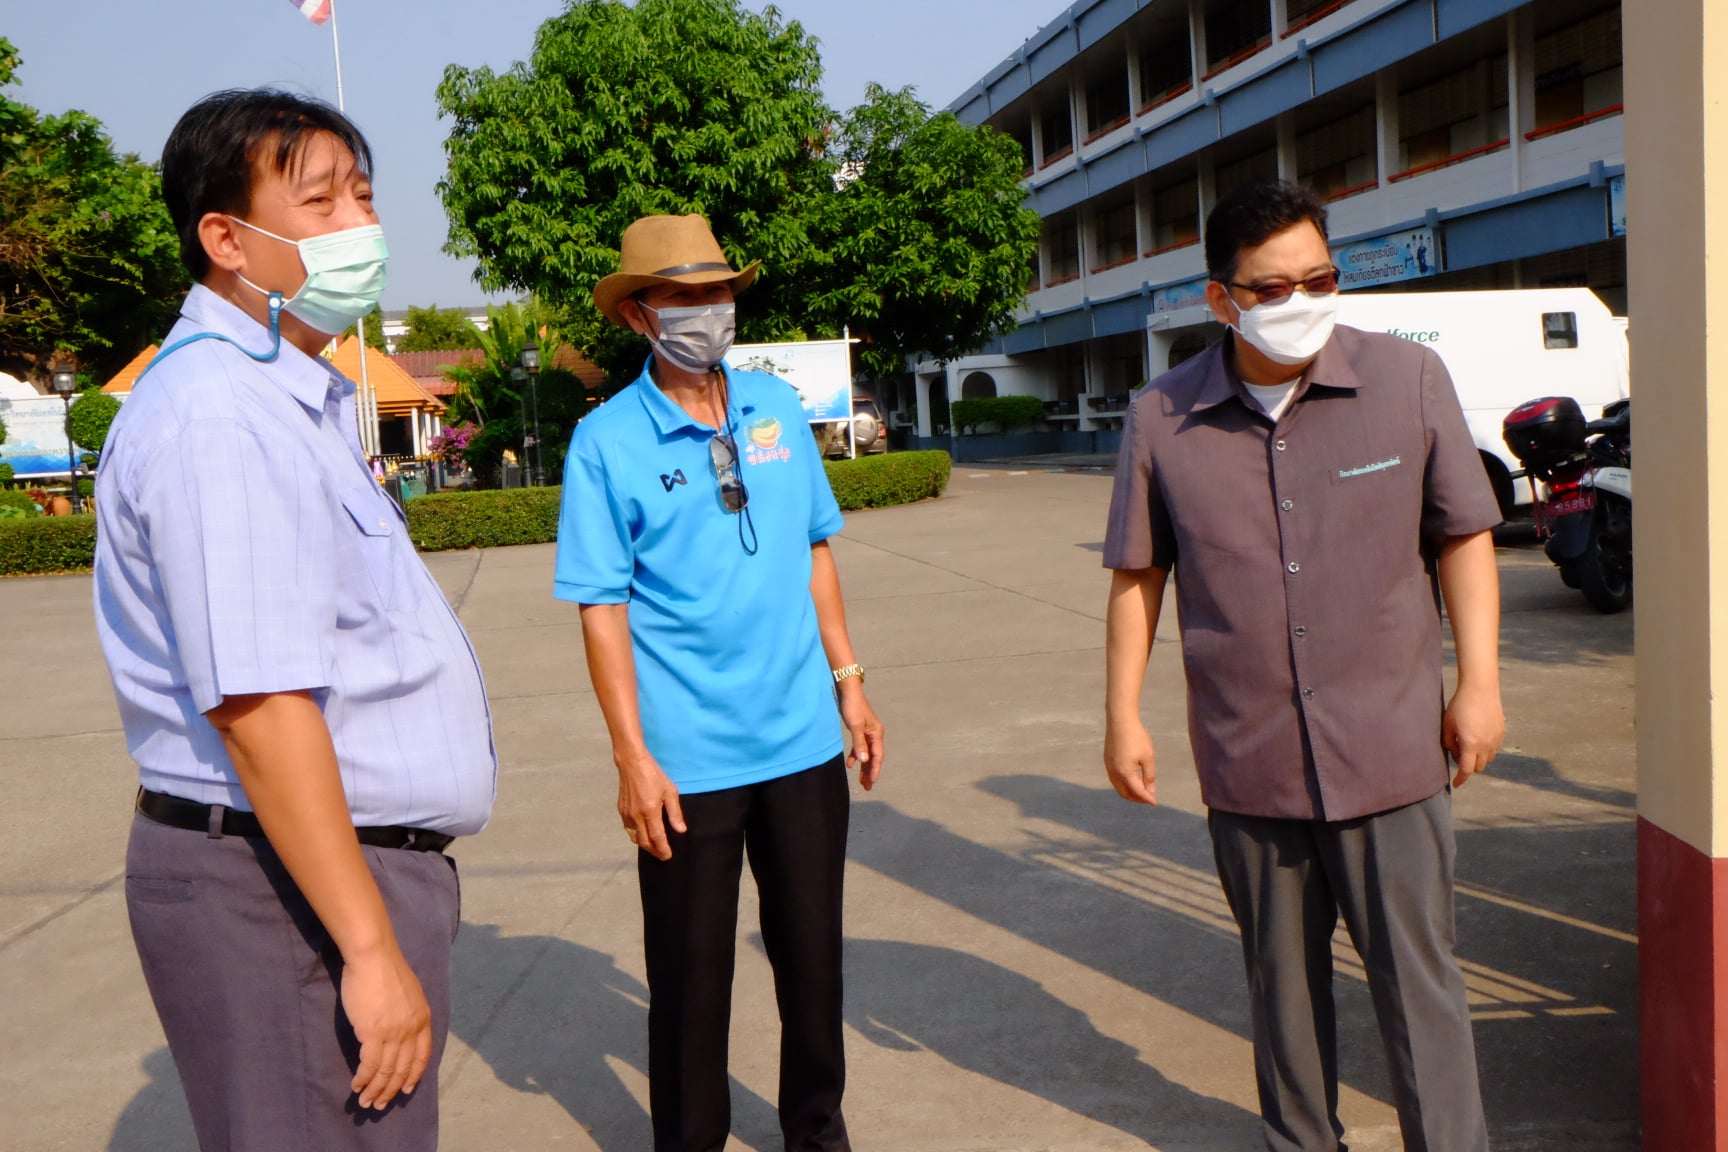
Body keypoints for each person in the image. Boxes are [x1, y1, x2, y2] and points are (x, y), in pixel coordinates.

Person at [92, 89, 495, 1150]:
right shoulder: (219, 415)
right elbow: (262, 705)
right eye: (320, 201)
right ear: (225, 237)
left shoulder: (283, 395)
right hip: (286, 894)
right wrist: (367, 949)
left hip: (325, 875)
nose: (358, 224)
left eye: (363, 194)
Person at [1101, 179, 1503, 1151]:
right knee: (1282, 1000)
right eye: (1271, 288)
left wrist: (1481, 683)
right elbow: (1137, 574)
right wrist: (1121, 714)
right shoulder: (1164, 417)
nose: (1300, 302)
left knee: (1424, 990)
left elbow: (1464, 538)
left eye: (1318, 278)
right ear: (1221, 298)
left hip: (1392, 751)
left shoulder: (1408, 382)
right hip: (1252, 763)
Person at [553, 213, 885, 1152]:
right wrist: (632, 757)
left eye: (719, 292)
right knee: (692, 981)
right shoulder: (606, 441)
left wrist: (849, 682)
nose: (709, 311)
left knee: (813, 964)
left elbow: (814, 551)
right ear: (638, 318)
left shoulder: (774, 410)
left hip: (802, 743)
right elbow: (600, 606)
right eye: (684, 297)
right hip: (688, 762)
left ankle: (816, 1132)